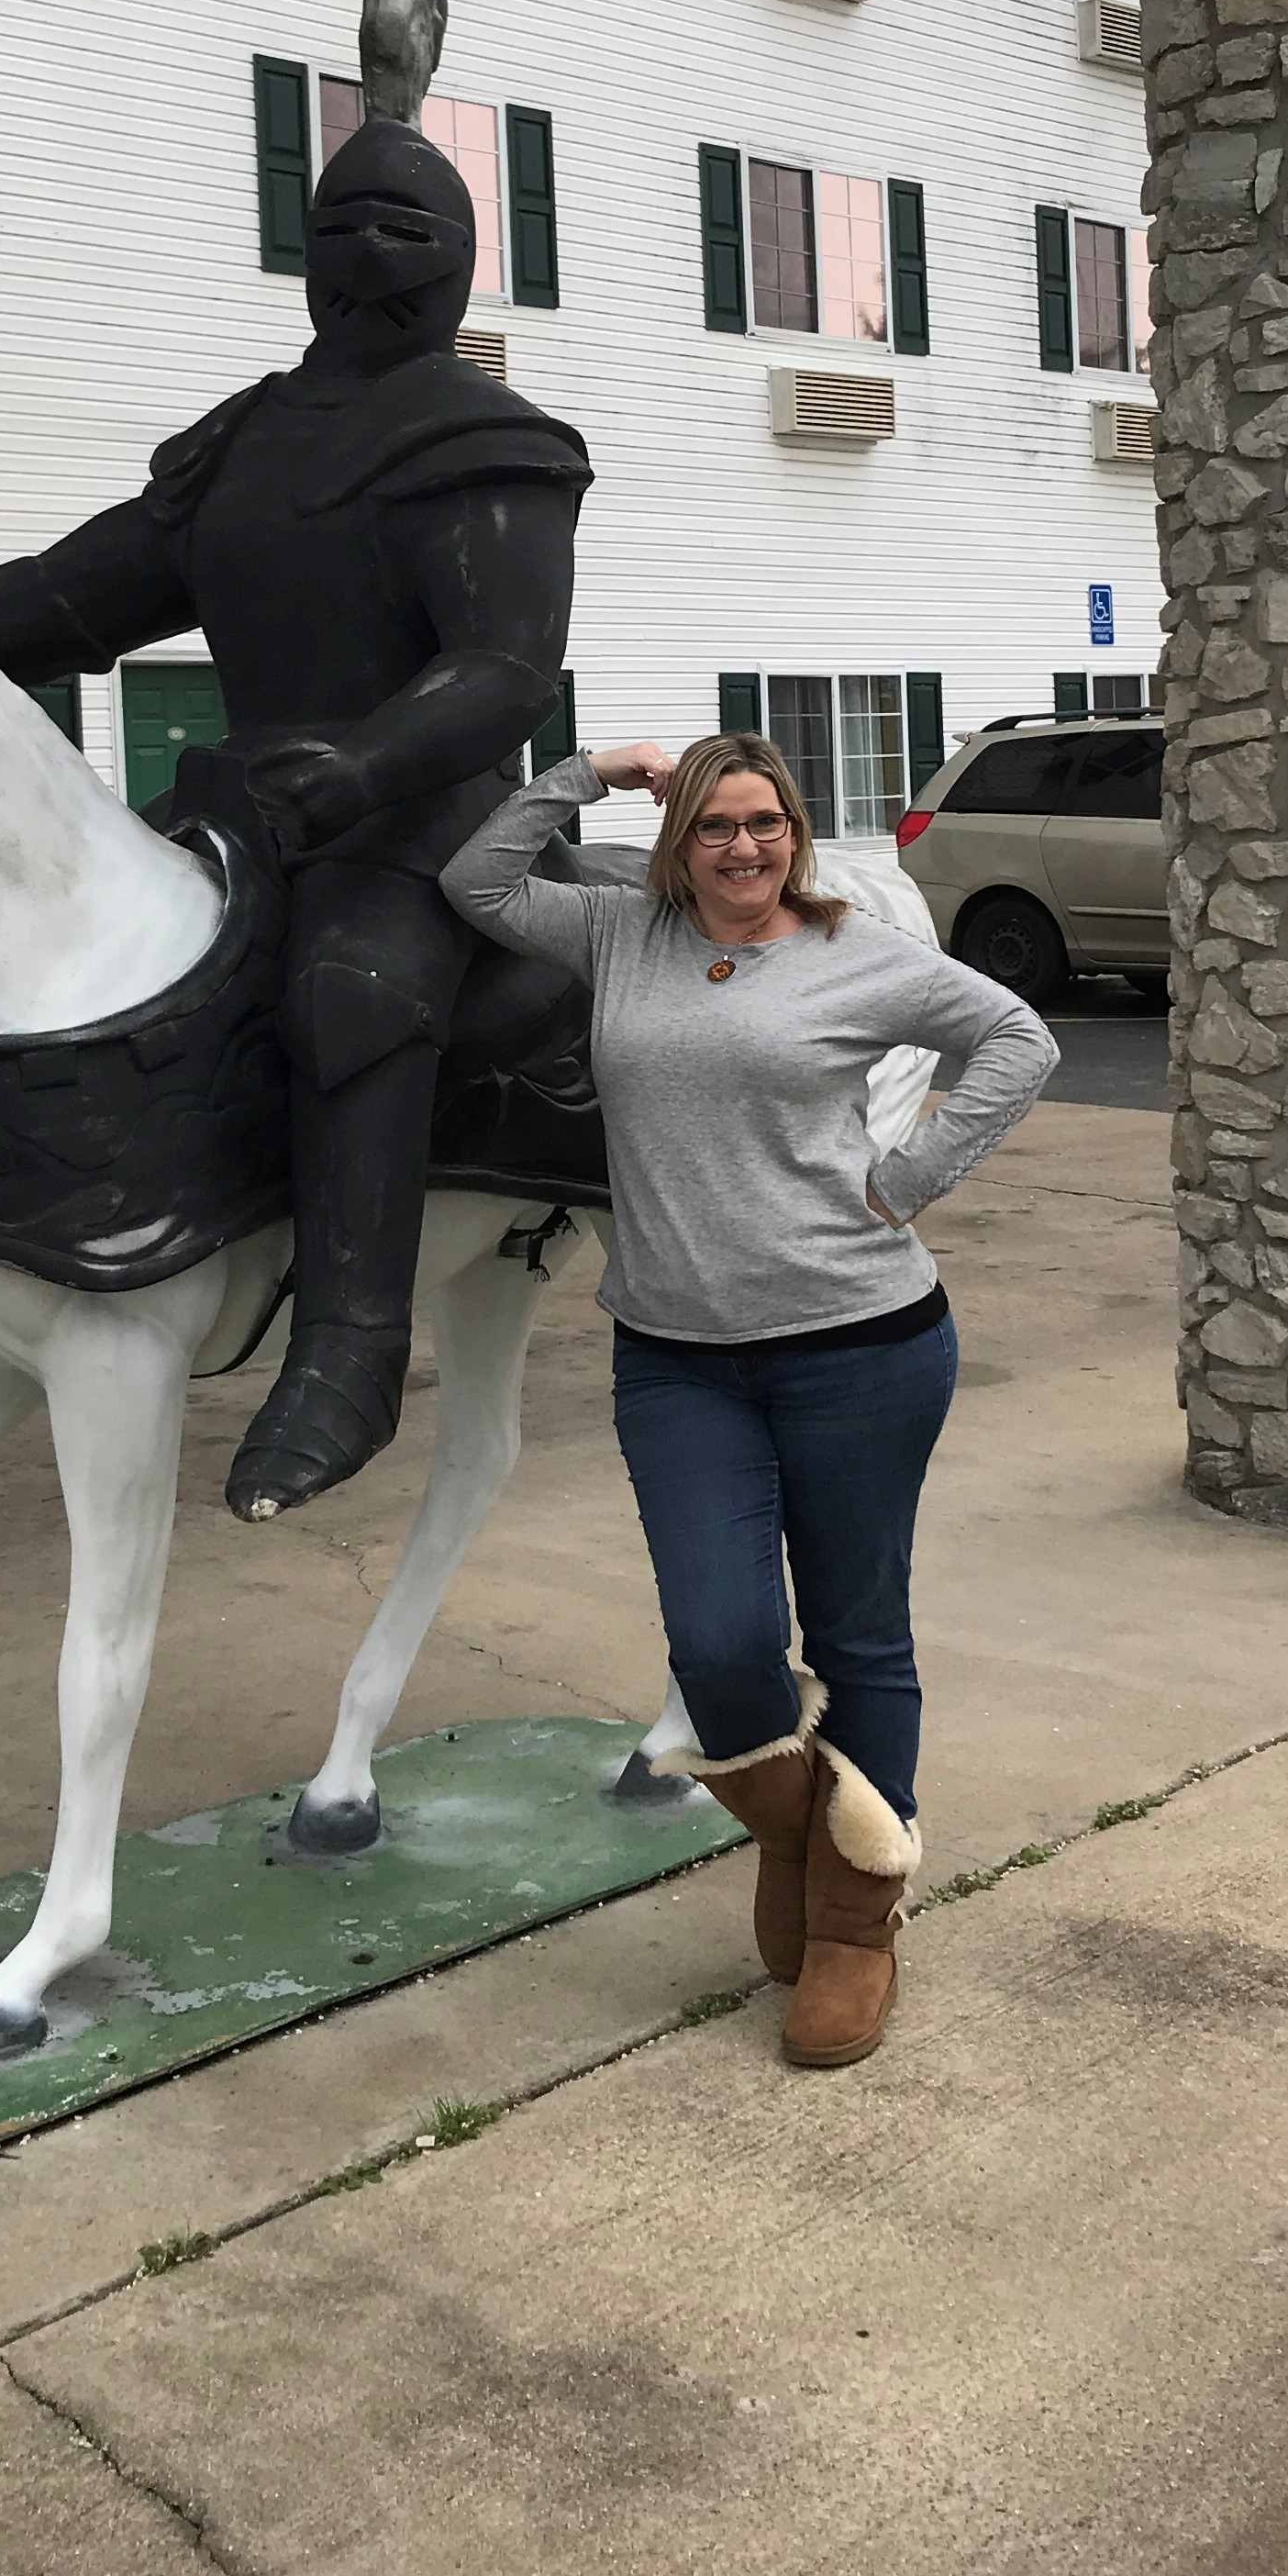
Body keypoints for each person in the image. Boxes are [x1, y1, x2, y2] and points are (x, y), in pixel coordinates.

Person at [0, 0, 588, 1525]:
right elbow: (66, 602)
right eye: (343, 231)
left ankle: (346, 1346)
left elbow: (504, 665)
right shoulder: (242, 443)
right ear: (304, 248)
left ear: (459, 259)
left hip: (417, 828)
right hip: (235, 816)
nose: (368, 260)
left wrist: (367, 764)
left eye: (402, 237)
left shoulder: (490, 442)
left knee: (349, 984)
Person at [442, 728, 1053, 2066]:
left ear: (796, 831)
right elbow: (475, 886)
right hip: (674, 1359)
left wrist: (909, 1178)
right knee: (720, 1648)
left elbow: (1015, 1037)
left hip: (865, 1344)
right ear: (681, 842)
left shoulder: (854, 955)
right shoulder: (620, 936)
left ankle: (851, 1926)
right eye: (714, 826)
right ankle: (809, 1838)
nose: (741, 848)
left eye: (764, 822)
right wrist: (584, 775)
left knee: (858, 1640)